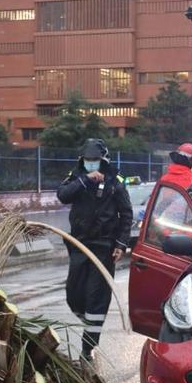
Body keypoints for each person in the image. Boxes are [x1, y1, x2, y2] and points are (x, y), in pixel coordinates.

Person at [56, 139, 133, 361]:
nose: (91, 164)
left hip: (104, 247)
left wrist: (121, 244)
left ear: (103, 160)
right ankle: (86, 322)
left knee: (96, 298)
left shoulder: (115, 181)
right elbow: (63, 194)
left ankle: (87, 348)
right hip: (79, 245)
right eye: (87, 160)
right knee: (74, 293)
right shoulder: (77, 176)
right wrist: (84, 180)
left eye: (94, 161)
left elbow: (126, 215)